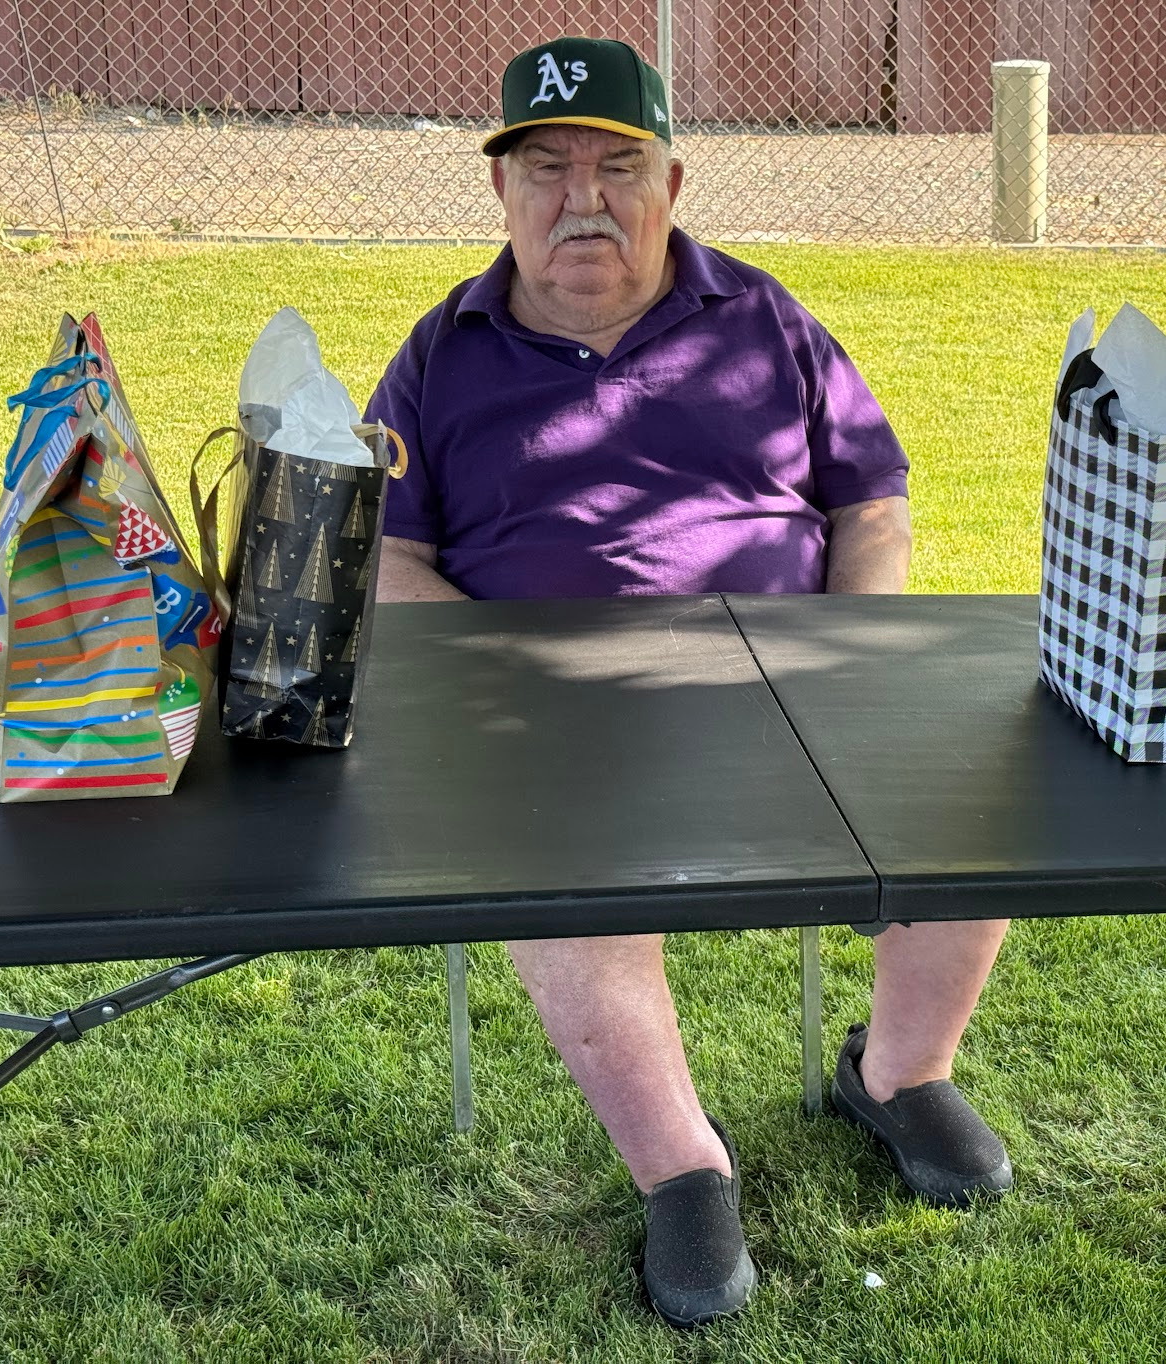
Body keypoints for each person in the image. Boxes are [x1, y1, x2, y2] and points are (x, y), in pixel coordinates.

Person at [365, 35, 1011, 1328]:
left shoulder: (763, 321)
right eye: (547, 169)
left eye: (618, 168)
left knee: (976, 802)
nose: (583, 200)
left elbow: (871, 503)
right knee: (552, 880)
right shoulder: (442, 354)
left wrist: (852, 663)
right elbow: (385, 557)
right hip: (547, 722)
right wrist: (514, 684)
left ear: (672, 182)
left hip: (784, 693)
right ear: (500, 190)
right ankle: (682, 1167)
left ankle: (897, 1073)